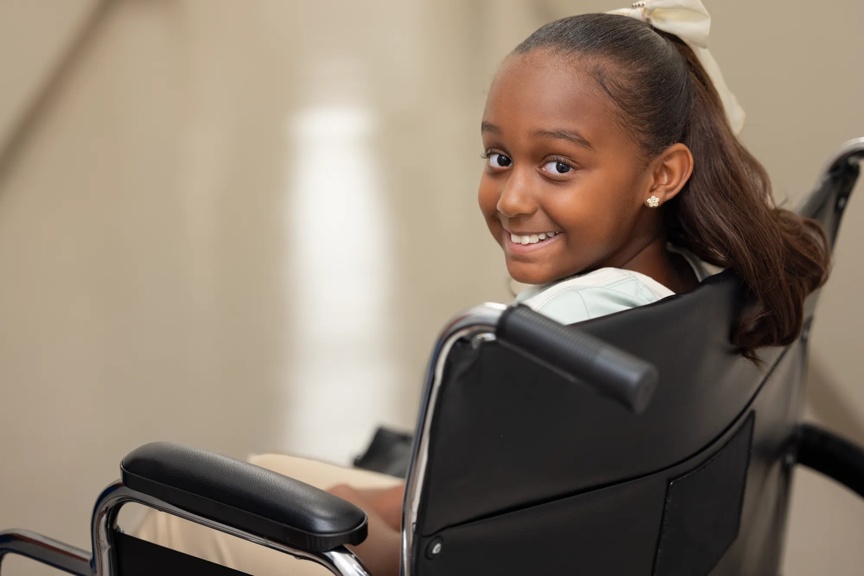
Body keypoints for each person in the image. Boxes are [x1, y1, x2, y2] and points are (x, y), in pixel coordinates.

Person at [133, 2, 830, 575]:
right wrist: (370, 501)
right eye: (500, 157)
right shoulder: (685, 288)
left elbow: (432, 558)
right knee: (265, 474)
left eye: (558, 164)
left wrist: (352, 522)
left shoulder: (559, 340)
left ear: (661, 176)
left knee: (166, 513)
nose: (512, 198)